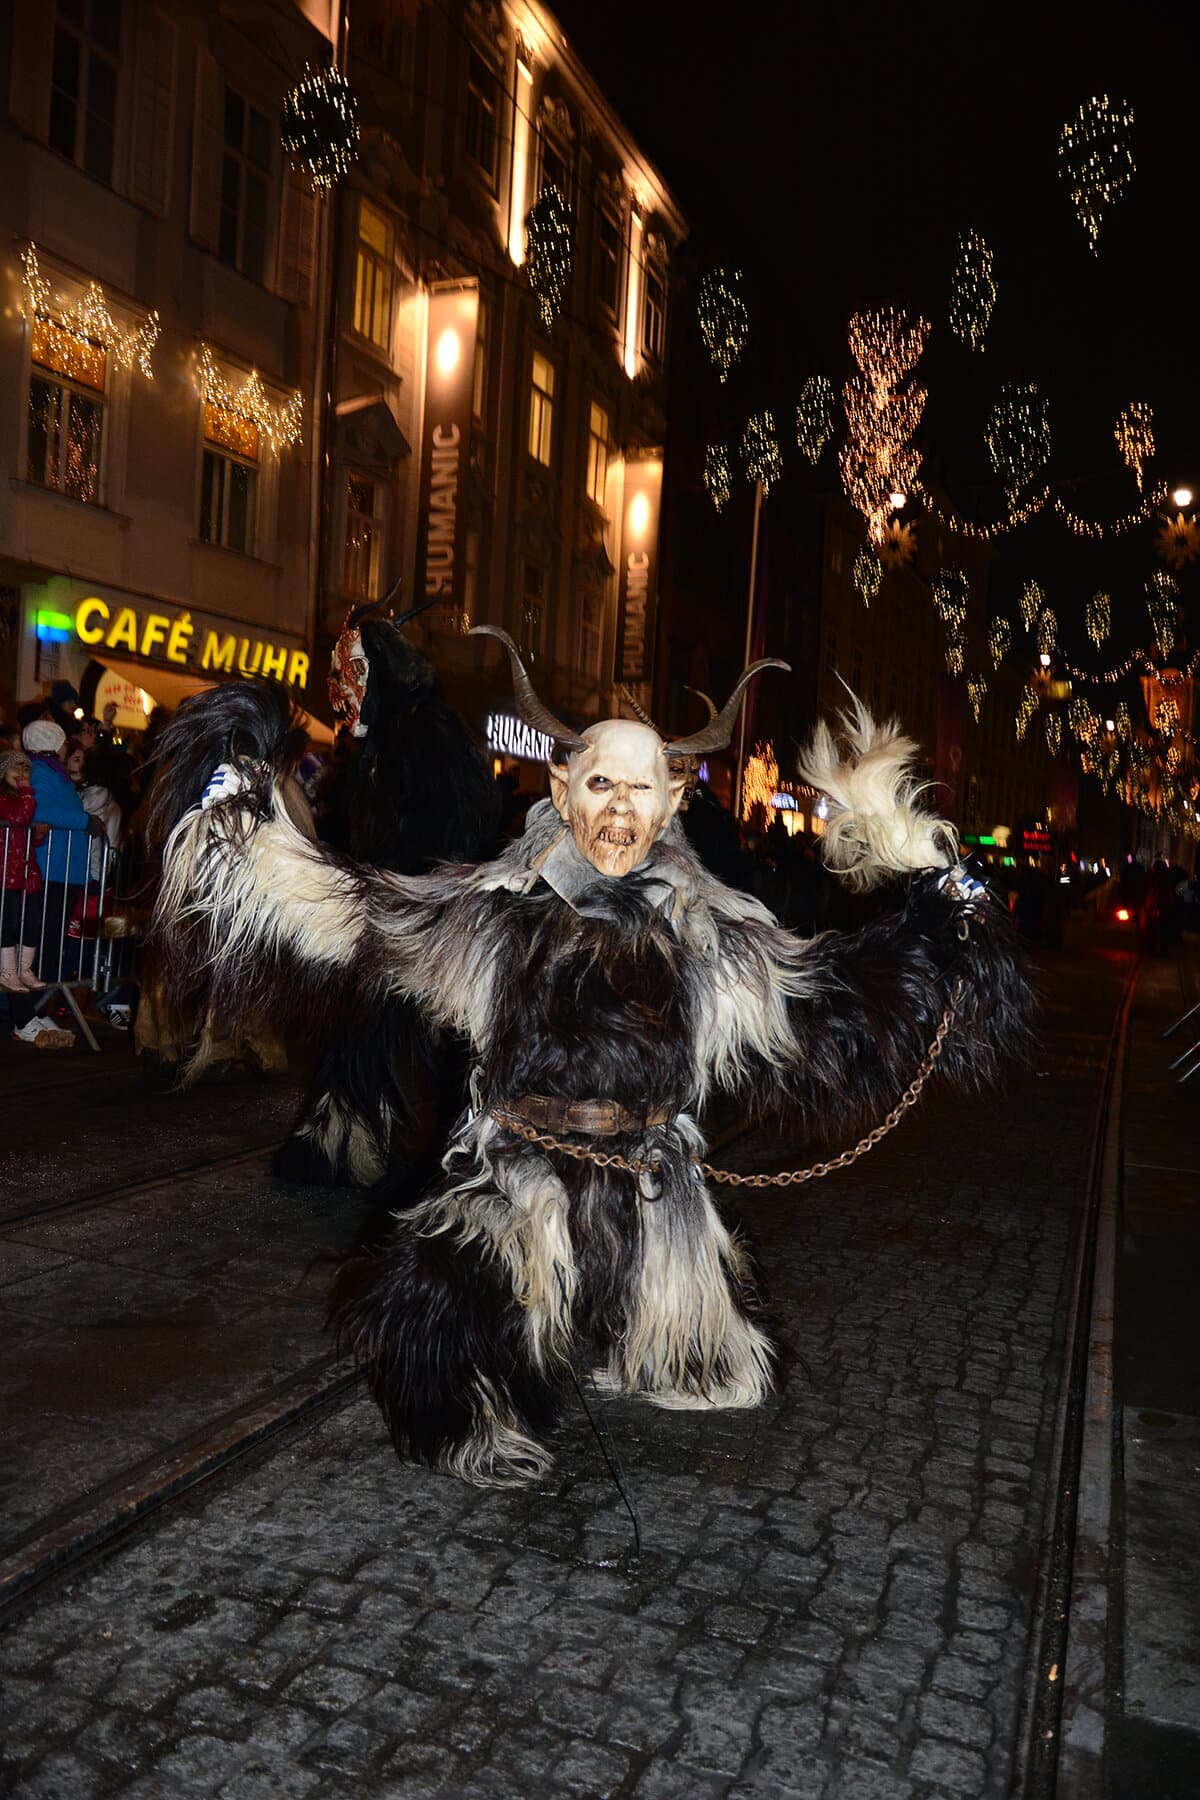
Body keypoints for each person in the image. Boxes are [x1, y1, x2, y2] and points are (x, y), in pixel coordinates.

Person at [148, 632, 1030, 1490]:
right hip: (517, 1188)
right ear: (562, 790)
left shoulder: (712, 933)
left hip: (657, 1203)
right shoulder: (493, 912)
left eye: (637, 788)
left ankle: (651, 1327)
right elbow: (354, 916)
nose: (617, 808)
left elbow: (829, 1008)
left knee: (721, 1378)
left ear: (671, 802)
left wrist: (936, 916)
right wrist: (245, 821)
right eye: (599, 784)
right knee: (441, 1344)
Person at [23, 718, 91, 982]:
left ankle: (41, 1008)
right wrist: (85, 821)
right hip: (52, 868)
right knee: (45, 940)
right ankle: (33, 1010)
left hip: (62, 867)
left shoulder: (53, 772)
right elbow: (40, 809)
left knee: (53, 940)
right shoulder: (41, 771)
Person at [0, 746, 45, 992]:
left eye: (26, 767)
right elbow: (18, 820)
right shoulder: (5, 798)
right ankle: (7, 972)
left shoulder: (22, 799)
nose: (21, 772)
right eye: (15, 766)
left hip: (25, 872)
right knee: (7, 924)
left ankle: (23, 968)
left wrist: (37, 836)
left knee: (32, 921)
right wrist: (27, 791)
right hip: (6, 874)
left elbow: (24, 834)